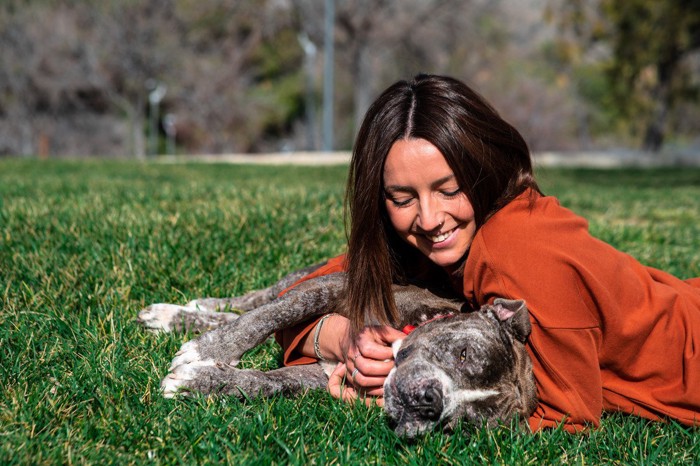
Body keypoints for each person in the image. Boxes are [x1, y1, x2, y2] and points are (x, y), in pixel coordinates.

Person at [274, 74, 700, 432]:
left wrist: (396, 397)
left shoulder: (515, 252)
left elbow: (567, 414)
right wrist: (344, 339)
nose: (429, 218)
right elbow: (299, 296)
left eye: (449, 189)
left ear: (481, 167)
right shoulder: (442, 244)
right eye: (403, 198)